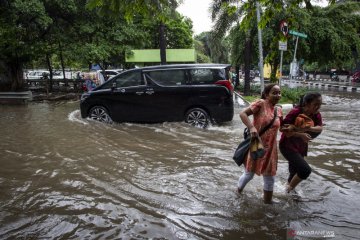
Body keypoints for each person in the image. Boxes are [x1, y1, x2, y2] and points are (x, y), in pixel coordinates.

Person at [237, 84, 283, 204]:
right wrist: (251, 127)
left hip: (271, 149)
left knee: (270, 177)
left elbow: (281, 128)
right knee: (249, 174)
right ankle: (238, 192)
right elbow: (243, 114)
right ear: (267, 94)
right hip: (257, 145)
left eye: (279, 93)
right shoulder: (260, 103)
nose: (278, 95)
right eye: (274, 93)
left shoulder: (279, 110)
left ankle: (267, 204)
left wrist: (297, 131)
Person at [279, 92, 323, 193]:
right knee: (305, 170)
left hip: (301, 147)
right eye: (315, 104)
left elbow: (320, 128)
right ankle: (288, 191)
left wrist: (310, 128)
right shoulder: (295, 112)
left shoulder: (316, 115)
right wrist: (300, 134)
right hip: (287, 146)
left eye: (320, 105)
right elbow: (283, 129)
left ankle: (286, 194)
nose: (318, 107)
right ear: (307, 103)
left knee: (294, 172)